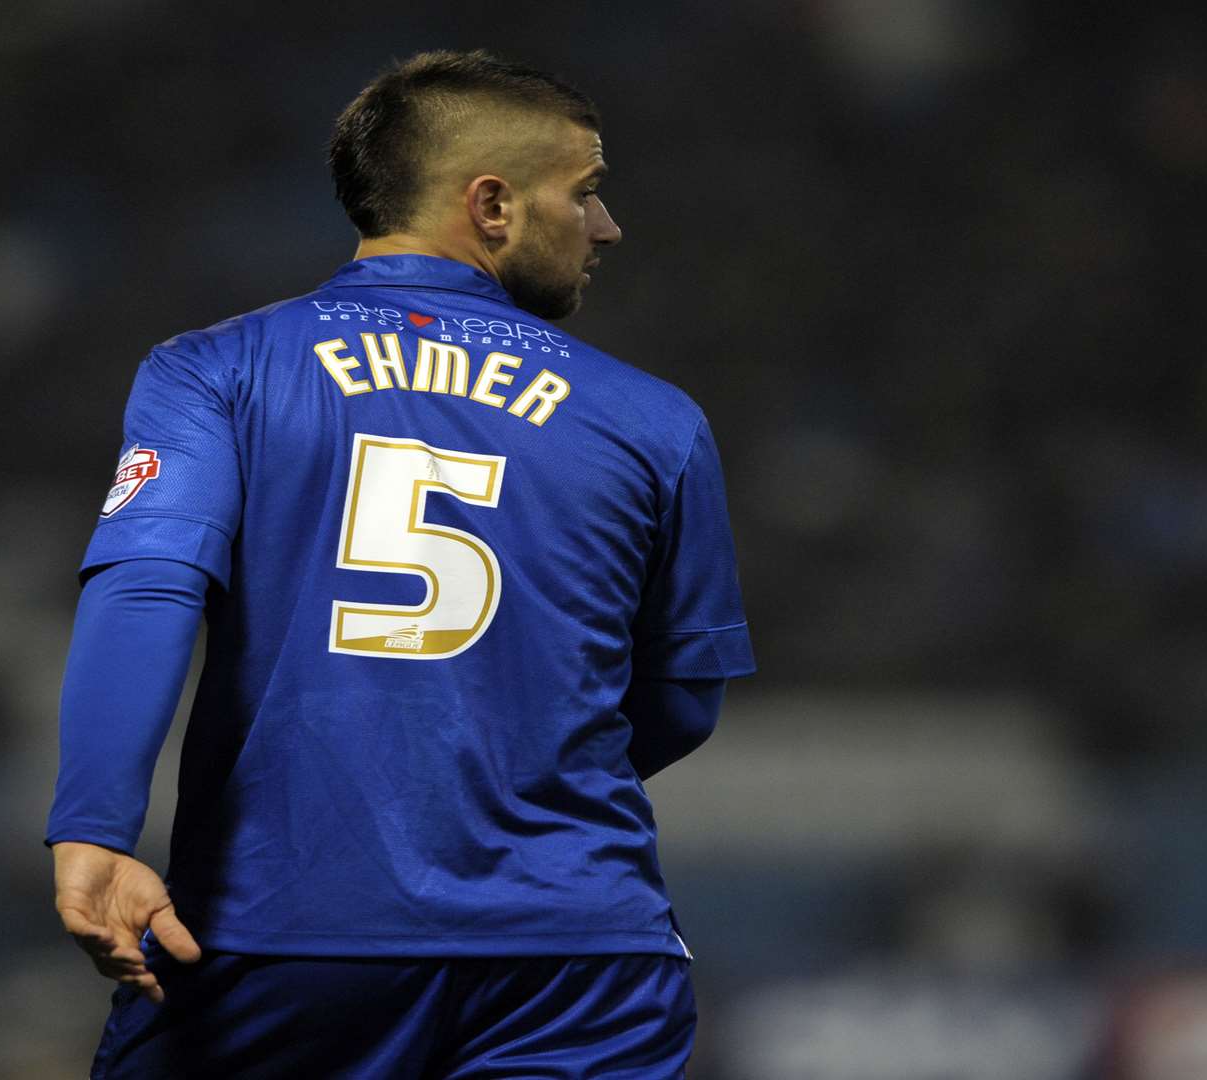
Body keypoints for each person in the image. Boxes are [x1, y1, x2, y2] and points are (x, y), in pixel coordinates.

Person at [46, 49, 755, 1079]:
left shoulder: (218, 370)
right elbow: (682, 699)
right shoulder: (656, 421)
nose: (607, 227)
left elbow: (149, 586)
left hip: (282, 934)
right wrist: (501, 778)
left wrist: (94, 829)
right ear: (493, 204)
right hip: (577, 957)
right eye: (588, 192)